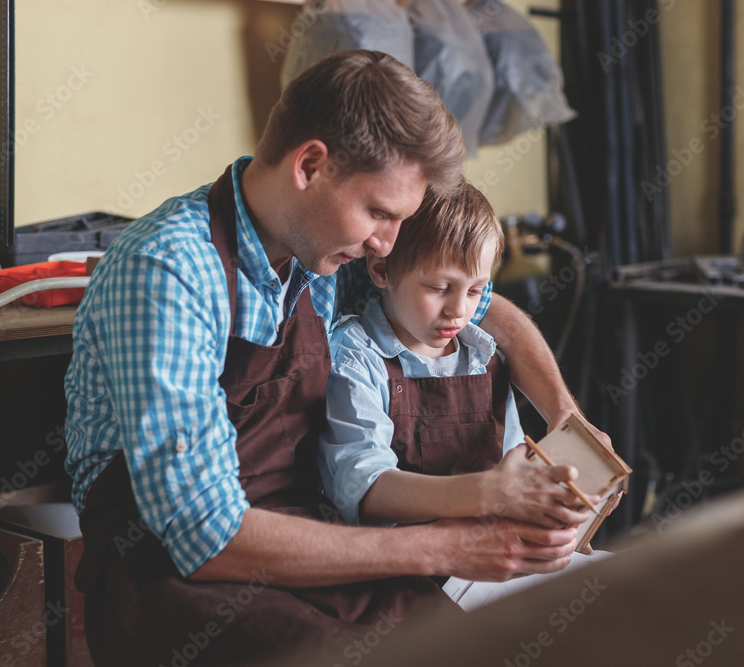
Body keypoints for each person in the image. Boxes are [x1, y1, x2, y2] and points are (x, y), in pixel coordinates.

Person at [64, 50, 609, 666]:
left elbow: (494, 315)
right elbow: (207, 538)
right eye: (379, 212)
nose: (387, 243)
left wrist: (566, 420)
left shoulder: (322, 252)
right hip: (170, 576)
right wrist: (448, 548)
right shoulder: (168, 271)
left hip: (309, 541)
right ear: (311, 165)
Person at [319, 181, 594, 532]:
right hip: (407, 564)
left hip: (498, 546)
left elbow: (514, 464)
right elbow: (367, 490)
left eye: (477, 290)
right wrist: (487, 494)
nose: (459, 311)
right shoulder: (357, 358)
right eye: (439, 288)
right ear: (380, 270)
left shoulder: (484, 353)